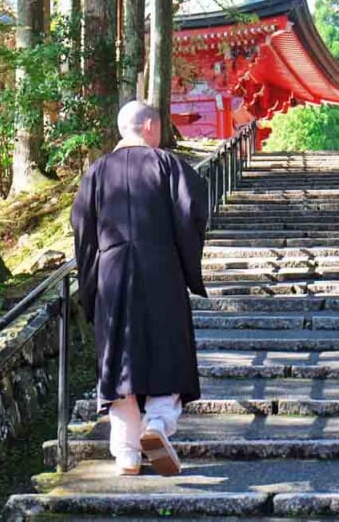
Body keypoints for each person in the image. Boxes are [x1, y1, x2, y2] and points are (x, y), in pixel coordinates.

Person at [71, 101, 208, 476]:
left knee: (119, 357)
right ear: (149, 125)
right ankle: (159, 425)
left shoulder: (96, 173)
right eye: (159, 126)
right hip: (160, 269)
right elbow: (191, 214)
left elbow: (82, 233)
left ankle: (127, 452)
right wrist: (185, 263)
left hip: (112, 273)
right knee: (165, 347)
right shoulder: (168, 165)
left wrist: (90, 285)